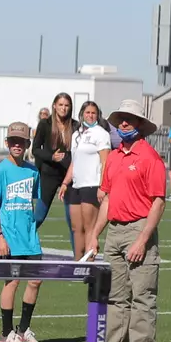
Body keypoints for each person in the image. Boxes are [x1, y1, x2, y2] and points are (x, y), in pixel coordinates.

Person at [87, 99, 167, 342]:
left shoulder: (150, 158)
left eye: (129, 119)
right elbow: (107, 199)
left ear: (140, 124)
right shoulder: (114, 157)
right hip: (115, 231)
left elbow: (158, 202)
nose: (123, 123)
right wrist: (94, 235)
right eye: (121, 118)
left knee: (142, 297)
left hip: (138, 228)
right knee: (115, 297)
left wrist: (142, 240)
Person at [0, 122, 44, 342]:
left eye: (21, 141)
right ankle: (5, 334)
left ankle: (23, 331)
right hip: (9, 237)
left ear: (27, 144)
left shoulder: (33, 171)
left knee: (35, 280)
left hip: (30, 238)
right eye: (13, 141)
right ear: (7, 143)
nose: (17, 145)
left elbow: (34, 202)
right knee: (12, 282)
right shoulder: (0, 170)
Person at [62, 101, 111, 263]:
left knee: (90, 228)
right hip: (76, 185)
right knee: (76, 228)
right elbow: (74, 162)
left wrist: (103, 186)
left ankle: (89, 264)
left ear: (98, 115)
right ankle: (77, 262)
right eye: (87, 112)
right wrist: (65, 183)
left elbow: (105, 162)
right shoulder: (77, 135)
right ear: (82, 114)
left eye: (93, 113)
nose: (90, 115)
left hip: (92, 185)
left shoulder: (101, 134)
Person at [31, 92, 74, 248]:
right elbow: (35, 149)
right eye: (60, 105)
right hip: (48, 175)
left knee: (73, 222)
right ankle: (19, 246)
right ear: (54, 106)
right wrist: (51, 157)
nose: (63, 108)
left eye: (67, 105)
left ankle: (78, 257)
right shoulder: (45, 124)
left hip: (69, 177)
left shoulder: (75, 126)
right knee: (38, 217)